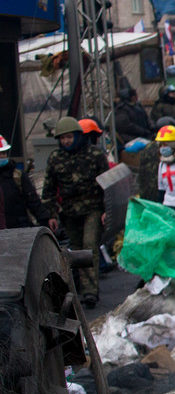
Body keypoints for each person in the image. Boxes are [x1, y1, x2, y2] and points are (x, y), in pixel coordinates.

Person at [43, 118, 106, 304]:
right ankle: (80, 288)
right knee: (76, 250)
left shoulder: (95, 155)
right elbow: (49, 188)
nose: (66, 141)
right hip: (69, 212)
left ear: (78, 136)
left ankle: (90, 290)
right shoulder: (56, 158)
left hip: (93, 209)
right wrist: (51, 215)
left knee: (89, 246)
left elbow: (107, 183)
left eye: (69, 137)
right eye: (62, 138)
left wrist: (105, 210)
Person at [0, 135, 49, 230]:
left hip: (19, 230)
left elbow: (33, 200)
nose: (2, 156)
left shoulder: (18, 176)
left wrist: (45, 219)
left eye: (3, 153)